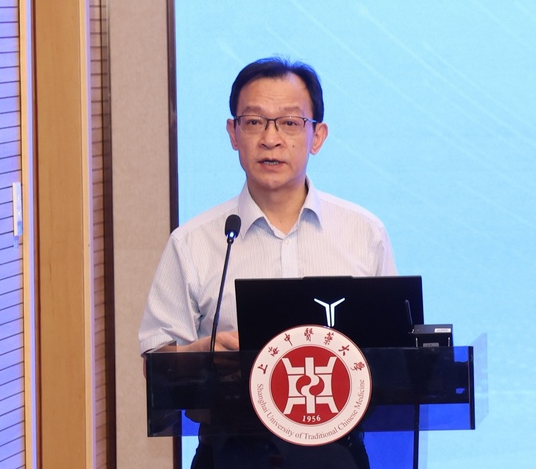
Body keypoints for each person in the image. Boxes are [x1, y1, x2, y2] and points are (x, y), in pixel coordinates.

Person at [139, 57, 396, 468]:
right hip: (231, 452)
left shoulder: (364, 233)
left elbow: (395, 356)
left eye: (290, 123)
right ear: (233, 133)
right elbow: (155, 362)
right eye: (254, 122)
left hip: (337, 454)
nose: (270, 139)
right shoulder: (194, 242)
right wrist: (200, 352)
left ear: (317, 136)